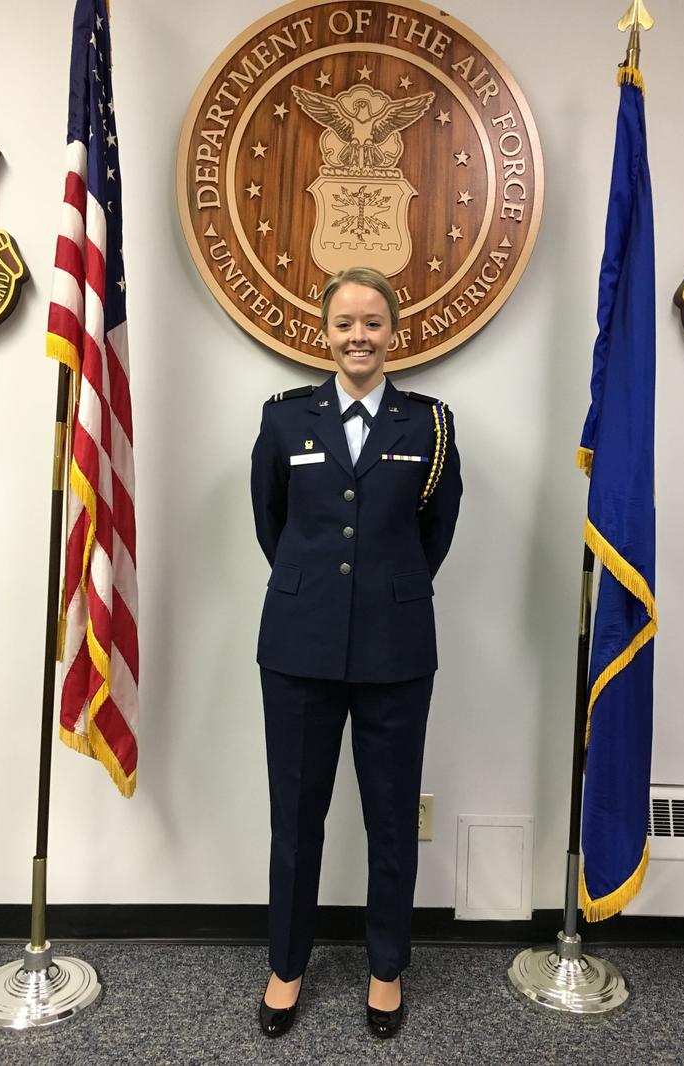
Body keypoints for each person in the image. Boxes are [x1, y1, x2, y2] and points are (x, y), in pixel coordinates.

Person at [250, 266, 462, 1039]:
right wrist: (324, 596)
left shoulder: (429, 425)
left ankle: (385, 967)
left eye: (373, 324)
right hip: (299, 647)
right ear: (324, 333)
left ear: (395, 334)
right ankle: (286, 966)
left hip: (396, 647)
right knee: (296, 819)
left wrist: (381, 591)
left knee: (390, 817)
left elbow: (433, 533)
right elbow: (274, 526)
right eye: (345, 324)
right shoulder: (284, 420)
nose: (358, 337)